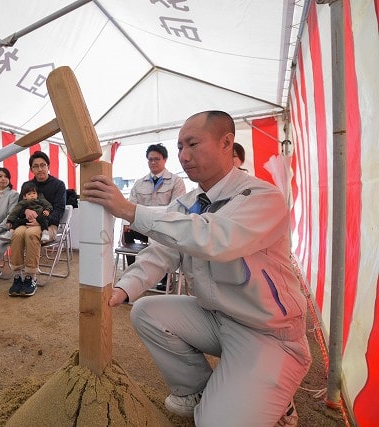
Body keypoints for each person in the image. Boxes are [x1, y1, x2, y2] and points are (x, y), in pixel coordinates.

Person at [82, 110, 311, 426]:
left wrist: (130, 210)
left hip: (267, 331)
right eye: (179, 147)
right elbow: (160, 252)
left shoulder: (262, 197)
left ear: (226, 143)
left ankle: (274, 400)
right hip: (217, 318)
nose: (183, 156)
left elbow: (213, 238)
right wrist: (123, 288)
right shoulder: (187, 201)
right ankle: (202, 391)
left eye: (192, 144)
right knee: (146, 311)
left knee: (212, 423)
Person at [123, 143, 186, 291]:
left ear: (165, 159)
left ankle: (163, 279)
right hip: (143, 227)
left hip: (164, 228)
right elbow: (131, 205)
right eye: (150, 159)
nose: (153, 162)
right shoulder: (139, 183)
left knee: (165, 238)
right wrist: (128, 222)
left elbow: (176, 209)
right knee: (127, 232)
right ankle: (134, 274)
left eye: (156, 159)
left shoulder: (176, 181)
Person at [8, 151, 66, 297]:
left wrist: (40, 221)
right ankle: (17, 275)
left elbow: (59, 211)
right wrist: (26, 210)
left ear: (48, 166)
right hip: (26, 222)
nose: (40, 169)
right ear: (31, 169)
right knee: (17, 233)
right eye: (36, 166)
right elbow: (19, 207)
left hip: (48, 225)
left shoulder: (58, 185)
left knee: (32, 233)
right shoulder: (27, 185)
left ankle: (30, 277)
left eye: (43, 165)